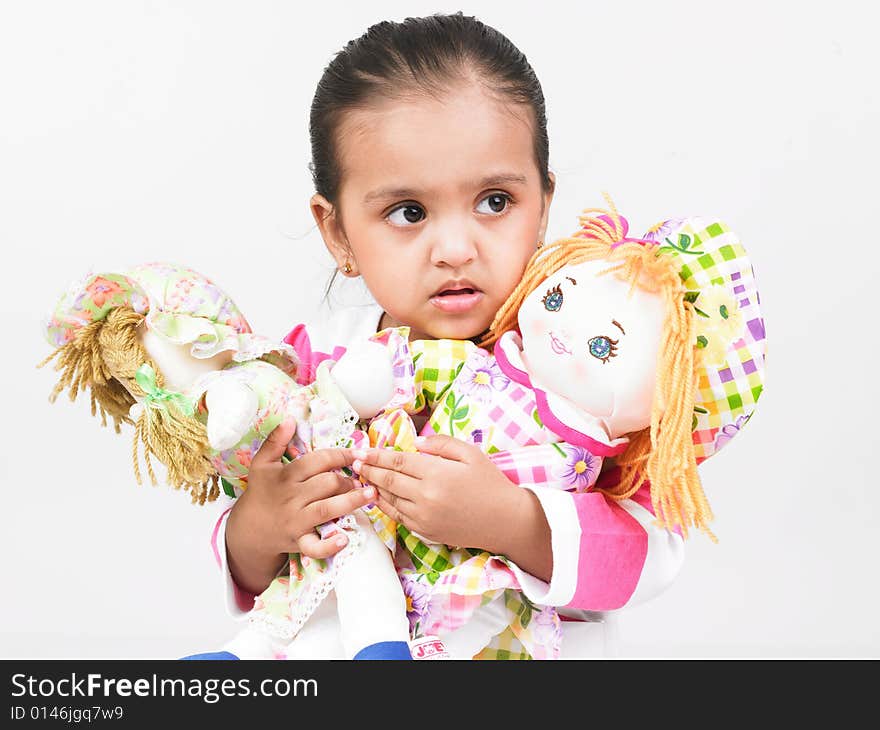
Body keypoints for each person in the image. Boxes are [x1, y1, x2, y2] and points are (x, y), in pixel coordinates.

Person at [204, 12, 686, 660]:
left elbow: (652, 553)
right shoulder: (314, 369)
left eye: (494, 201)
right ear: (338, 231)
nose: (456, 249)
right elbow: (263, 564)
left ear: (542, 206)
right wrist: (257, 529)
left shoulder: (586, 364)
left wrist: (514, 521)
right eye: (408, 213)